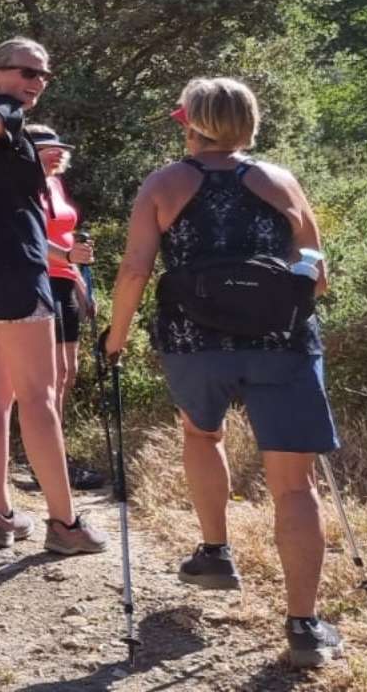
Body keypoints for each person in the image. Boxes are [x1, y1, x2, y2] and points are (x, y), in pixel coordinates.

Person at [104, 77, 343, 669]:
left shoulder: (164, 184)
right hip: (281, 343)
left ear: (189, 122)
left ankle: (215, 551)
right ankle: (304, 627)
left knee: (200, 434)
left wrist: (116, 336)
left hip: (193, 341)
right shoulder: (280, 181)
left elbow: (136, 269)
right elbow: (316, 273)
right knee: (294, 485)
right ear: (248, 121)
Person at [0, 38, 108, 554]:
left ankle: (0, 516)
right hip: (12, 268)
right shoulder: (0, 112)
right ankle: (65, 525)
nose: (35, 82)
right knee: (39, 397)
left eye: (43, 75)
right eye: (25, 72)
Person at [24, 124, 104, 490]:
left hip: (65, 281)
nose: (58, 153)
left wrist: (82, 284)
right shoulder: (23, 185)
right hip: (36, 280)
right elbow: (31, 237)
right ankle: (45, 461)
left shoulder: (55, 183)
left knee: (67, 372)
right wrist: (68, 256)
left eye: (59, 147)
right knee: (49, 376)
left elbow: (67, 237)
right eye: (47, 148)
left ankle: (55, 453)